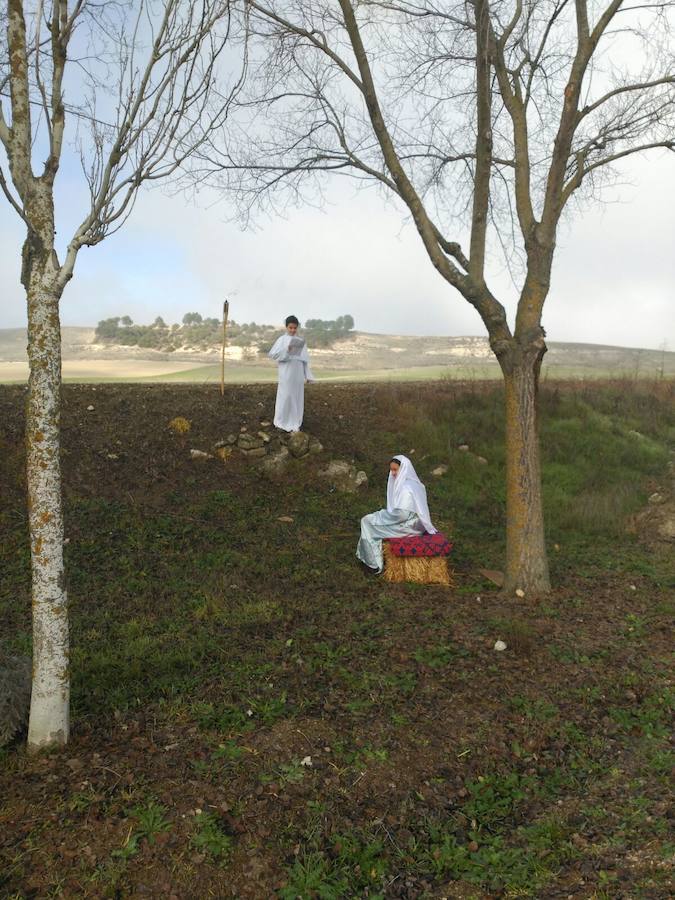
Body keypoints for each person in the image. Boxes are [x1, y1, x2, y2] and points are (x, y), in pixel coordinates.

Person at [356, 454, 437, 574]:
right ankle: (371, 559)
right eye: (391, 469)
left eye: (395, 469)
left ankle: (373, 565)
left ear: (403, 468)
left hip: (408, 527)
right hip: (415, 524)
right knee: (369, 521)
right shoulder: (415, 484)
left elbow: (401, 515)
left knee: (367, 522)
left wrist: (379, 516)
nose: (392, 473)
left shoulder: (406, 489)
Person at [268, 315, 315, 432]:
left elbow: (304, 361)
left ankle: (295, 422)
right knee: (286, 396)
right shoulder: (281, 340)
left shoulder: (300, 342)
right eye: (290, 328)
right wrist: (286, 350)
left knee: (297, 398)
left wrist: (307, 376)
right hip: (286, 374)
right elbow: (273, 354)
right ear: (286, 327)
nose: (293, 330)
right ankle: (281, 422)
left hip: (297, 374)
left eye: (295, 328)